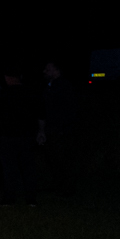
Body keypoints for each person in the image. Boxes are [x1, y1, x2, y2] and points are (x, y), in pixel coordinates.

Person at [0, 66, 43, 204]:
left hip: (8, 136)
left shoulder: (3, 94)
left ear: (7, 78)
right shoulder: (31, 93)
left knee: (9, 168)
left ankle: (10, 198)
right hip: (27, 135)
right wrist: (41, 131)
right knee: (28, 167)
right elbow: (41, 113)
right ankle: (31, 198)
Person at [42, 59, 79, 195]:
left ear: (56, 70)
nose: (44, 72)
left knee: (61, 158)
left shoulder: (62, 87)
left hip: (61, 129)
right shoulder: (52, 86)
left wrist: (63, 127)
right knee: (55, 159)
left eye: (48, 69)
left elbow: (66, 109)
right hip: (56, 128)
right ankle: (59, 185)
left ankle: (65, 187)